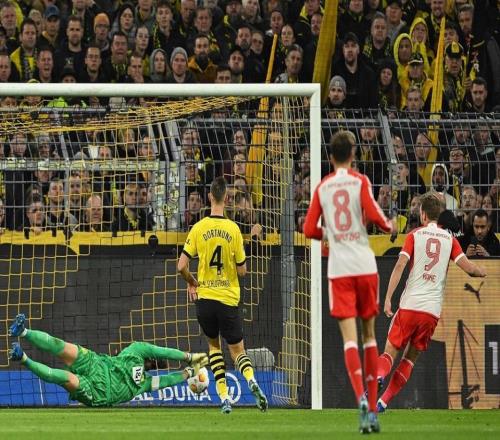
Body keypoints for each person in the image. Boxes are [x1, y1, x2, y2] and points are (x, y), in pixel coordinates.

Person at [303, 130, 397, 434]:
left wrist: (329, 233)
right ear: (353, 154)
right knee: (370, 336)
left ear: (330, 157)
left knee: (349, 340)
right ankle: (373, 410)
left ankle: (360, 399)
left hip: (340, 269)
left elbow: (308, 228)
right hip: (365, 266)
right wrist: (390, 225)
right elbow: (378, 217)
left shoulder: (323, 187)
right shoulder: (360, 182)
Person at [376, 192, 486, 413]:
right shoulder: (450, 240)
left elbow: (400, 266)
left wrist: (387, 298)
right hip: (431, 313)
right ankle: (383, 401)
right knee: (410, 359)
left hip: (410, 306)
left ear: (423, 215)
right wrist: (482, 271)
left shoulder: (414, 235)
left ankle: (379, 376)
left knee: (389, 352)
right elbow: (469, 269)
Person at [177, 176, 268, 414]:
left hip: (205, 299)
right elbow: (242, 271)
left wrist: (192, 282)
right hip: (228, 299)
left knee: (214, 347)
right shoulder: (234, 229)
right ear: (227, 198)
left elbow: (181, 265)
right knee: (237, 351)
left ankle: (225, 398)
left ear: (210, 197)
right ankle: (251, 380)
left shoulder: (198, 228)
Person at [8, 314, 208, 407]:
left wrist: (189, 370)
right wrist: (189, 359)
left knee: (64, 378)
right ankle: (23, 331)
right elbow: (164, 352)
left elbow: (167, 379)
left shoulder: (145, 383)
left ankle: (23, 358)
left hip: (99, 393)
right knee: (61, 346)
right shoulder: (137, 351)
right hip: (97, 363)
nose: (155, 360)